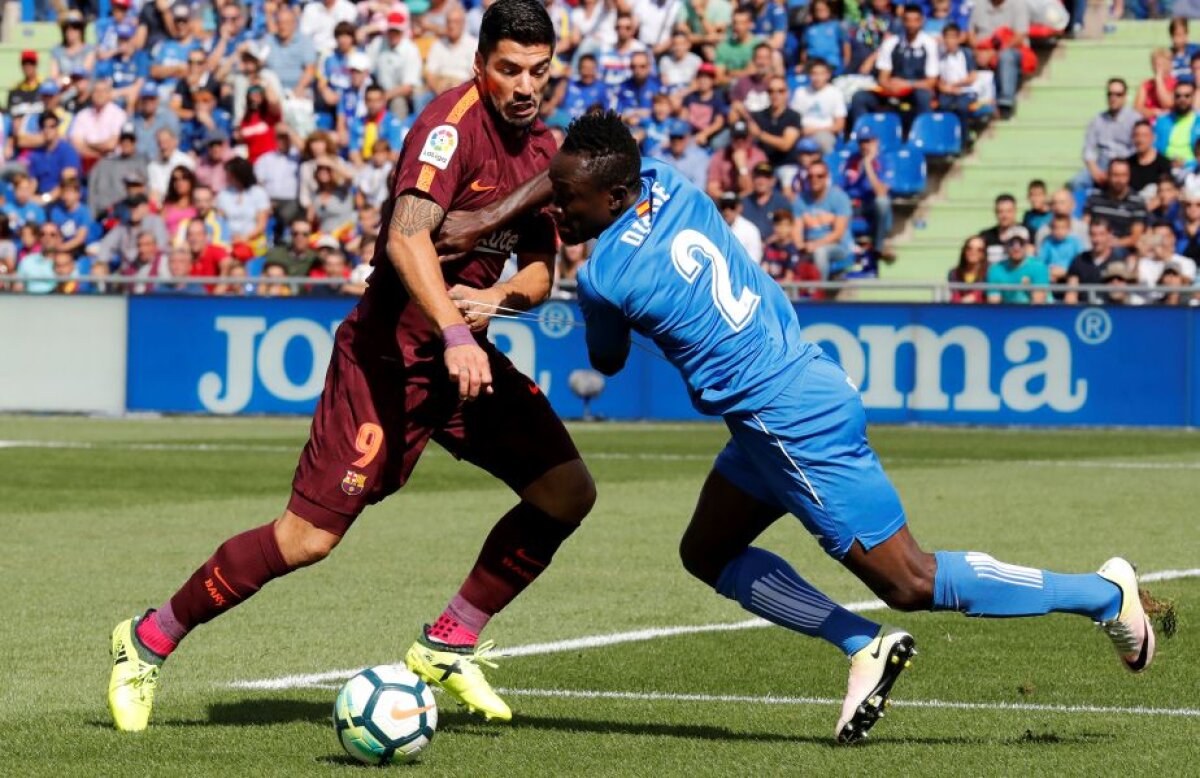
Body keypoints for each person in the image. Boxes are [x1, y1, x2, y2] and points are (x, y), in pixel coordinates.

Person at [546, 109, 1153, 744]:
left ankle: (1102, 594)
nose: (557, 207)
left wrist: (567, 286)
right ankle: (862, 644)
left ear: (614, 194)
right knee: (707, 551)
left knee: (911, 581)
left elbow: (606, 359)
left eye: (565, 197)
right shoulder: (667, 180)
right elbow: (602, 209)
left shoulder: (604, 276)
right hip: (789, 393)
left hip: (787, 422)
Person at [108, 0, 595, 734]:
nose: (525, 85)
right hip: (387, 361)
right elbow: (407, 241)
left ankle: (447, 642)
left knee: (566, 493)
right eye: (509, 69)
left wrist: (495, 300)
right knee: (307, 539)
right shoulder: (448, 127)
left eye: (537, 69)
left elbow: (539, 274)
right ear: (480, 66)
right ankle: (146, 641)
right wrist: (455, 333)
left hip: (460, 362)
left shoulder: (543, 151)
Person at [849, 5, 939, 131]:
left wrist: (907, 84)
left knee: (923, 97)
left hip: (914, 89)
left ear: (921, 21)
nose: (911, 24)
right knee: (860, 98)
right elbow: (883, 77)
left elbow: (931, 82)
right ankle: (864, 136)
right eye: (908, 20)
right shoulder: (891, 42)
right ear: (903, 21)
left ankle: (924, 137)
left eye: (915, 20)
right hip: (891, 88)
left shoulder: (929, 44)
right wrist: (891, 87)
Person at [793, 159, 855, 278]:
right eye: (810, 176)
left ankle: (819, 292)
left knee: (820, 252)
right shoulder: (800, 199)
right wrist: (800, 246)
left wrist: (815, 245)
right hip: (809, 246)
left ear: (827, 177)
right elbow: (797, 229)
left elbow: (838, 233)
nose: (814, 179)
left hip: (839, 247)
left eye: (819, 176)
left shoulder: (839, 197)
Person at [1083, 158, 1147, 251]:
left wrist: (1115, 243)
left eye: (1123, 175)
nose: (1120, 180)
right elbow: (1085, 225)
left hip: (1121, 249)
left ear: (1129, 176)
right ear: (1108, 175)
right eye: (1115, 175)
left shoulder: (1137, 202)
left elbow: (1135, 237)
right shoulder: (1094, 197)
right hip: (1095, 243)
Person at [789, 58, 846, 154]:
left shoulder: (835, 93)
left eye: (821, 74)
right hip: (802, 132)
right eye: (814, 74)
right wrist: (801, 130)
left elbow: (839, 125)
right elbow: (793, 118)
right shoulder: (800, 92)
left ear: (827, 75)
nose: (817, 77)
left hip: (825, 133)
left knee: (824, 141)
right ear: (809, 75)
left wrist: (814, 130)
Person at [1065, 218, 1126, 305]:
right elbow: (1071, 294)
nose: (1097, 240)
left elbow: (1121, 296)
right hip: (1082, 311)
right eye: (1093, 235)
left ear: (1109, 234)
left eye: (1101, 234)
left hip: (1111, 311)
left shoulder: (1118, 261)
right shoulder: (1079, 260)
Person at [985, 227, 1048, 303]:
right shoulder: (995, 270)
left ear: (1027, 245)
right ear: (1005, 246)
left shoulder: (1039, 267)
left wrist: (1028, 288)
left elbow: (1038, 303)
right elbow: (993, 304)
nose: (1016, 247)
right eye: (1011, 243)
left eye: (1021, 243)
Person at [1153, 81, 1200, 165]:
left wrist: (1187, 163)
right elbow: (1154, 148)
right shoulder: (1162, 121)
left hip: (1193, 169)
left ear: (1193, 98)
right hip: (1166, 167)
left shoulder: (1198, 121)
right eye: (1178, 96)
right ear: (1173, 98)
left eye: (1187, 96)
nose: (1182, 99)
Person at [1037, 212, 1084, 282]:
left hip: (1070, 275)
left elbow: (1081, 262)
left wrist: (1065, 271)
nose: (1059, 231)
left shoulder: (1075, 242)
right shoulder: (1048, 242)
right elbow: (1041, 261)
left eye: (1063, 228)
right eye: (1056, 228)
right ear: (1051, 229)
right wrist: (1048, 270)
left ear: (1069, 229)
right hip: (1051, 275)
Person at [718, 190, 764, 262]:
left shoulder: (750, 230)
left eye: (732, 206)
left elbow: (755, 259)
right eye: (724, 206)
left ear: (739, 208)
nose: (727, 211)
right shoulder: (714, 227)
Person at [948, 234, 989, 303]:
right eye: (969, 248)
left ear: (983, 254)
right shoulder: (954, 273)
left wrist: (974, 297)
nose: (973, 252)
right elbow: (955, 297)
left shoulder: (990, 272)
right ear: (964, 251)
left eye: (979, 250)